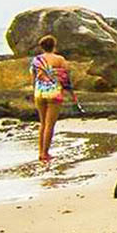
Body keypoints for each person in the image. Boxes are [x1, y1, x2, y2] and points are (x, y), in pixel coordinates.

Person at [30, 34, 72, 163]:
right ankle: (45, 153)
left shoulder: (36, 60)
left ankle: (40, 152)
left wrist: (35, 89)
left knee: (42, 124)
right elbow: (65, 76)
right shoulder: (60, 59)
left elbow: (33, 77)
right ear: (54, 46)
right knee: (50, 124)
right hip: (54, 93)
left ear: (42, 47)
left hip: (39, 92)